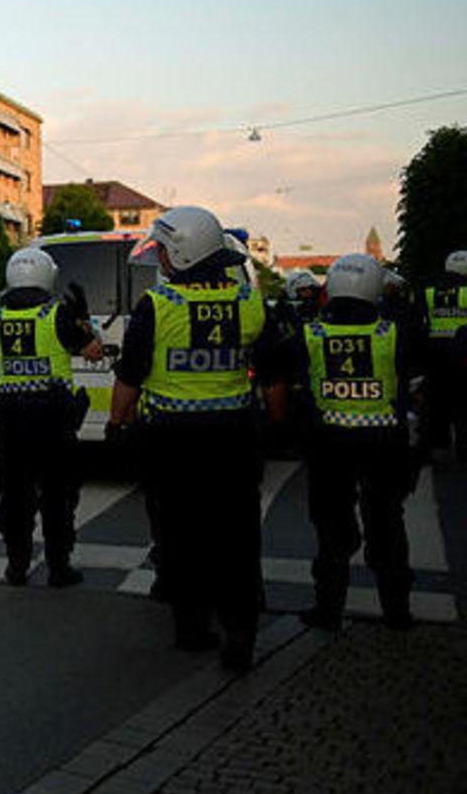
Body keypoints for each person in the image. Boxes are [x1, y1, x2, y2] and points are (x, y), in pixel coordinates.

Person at [109, 205, 288, 671]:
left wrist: (116, 425)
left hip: (171, 441)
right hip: (233, 437)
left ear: (184, 254)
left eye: (165, 251)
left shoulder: (158, 305)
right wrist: (274, 427)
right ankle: (241, 633)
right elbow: (272, 381)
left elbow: (130, 377)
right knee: (237, 536)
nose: (162, 260)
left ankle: (192, 628)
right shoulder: (250, 303)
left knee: (181, 536)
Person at [286, 254, 418, 632]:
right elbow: (419, 379)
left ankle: (328, 610)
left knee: (331, 532)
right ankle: (397, 611)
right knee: (389, 526)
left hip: (329, 446)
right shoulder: (395, 333)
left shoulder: (310, 333)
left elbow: (289, 382)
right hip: (384, 445)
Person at [0, 248, 103, 586]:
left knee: (14, 494)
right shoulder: (59, 315)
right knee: (58, 495)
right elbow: (93, 352)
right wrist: (83, 320)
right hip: (52, 418)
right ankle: (58, 567)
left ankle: (16, 565)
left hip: (10, 417)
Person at [418, 250, 467, 458]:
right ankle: (463, 447)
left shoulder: (429, 291)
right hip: (463, 354)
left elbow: (419, 324)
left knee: (436, 401)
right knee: (463, 402)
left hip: (434, 354)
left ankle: (438, 441)